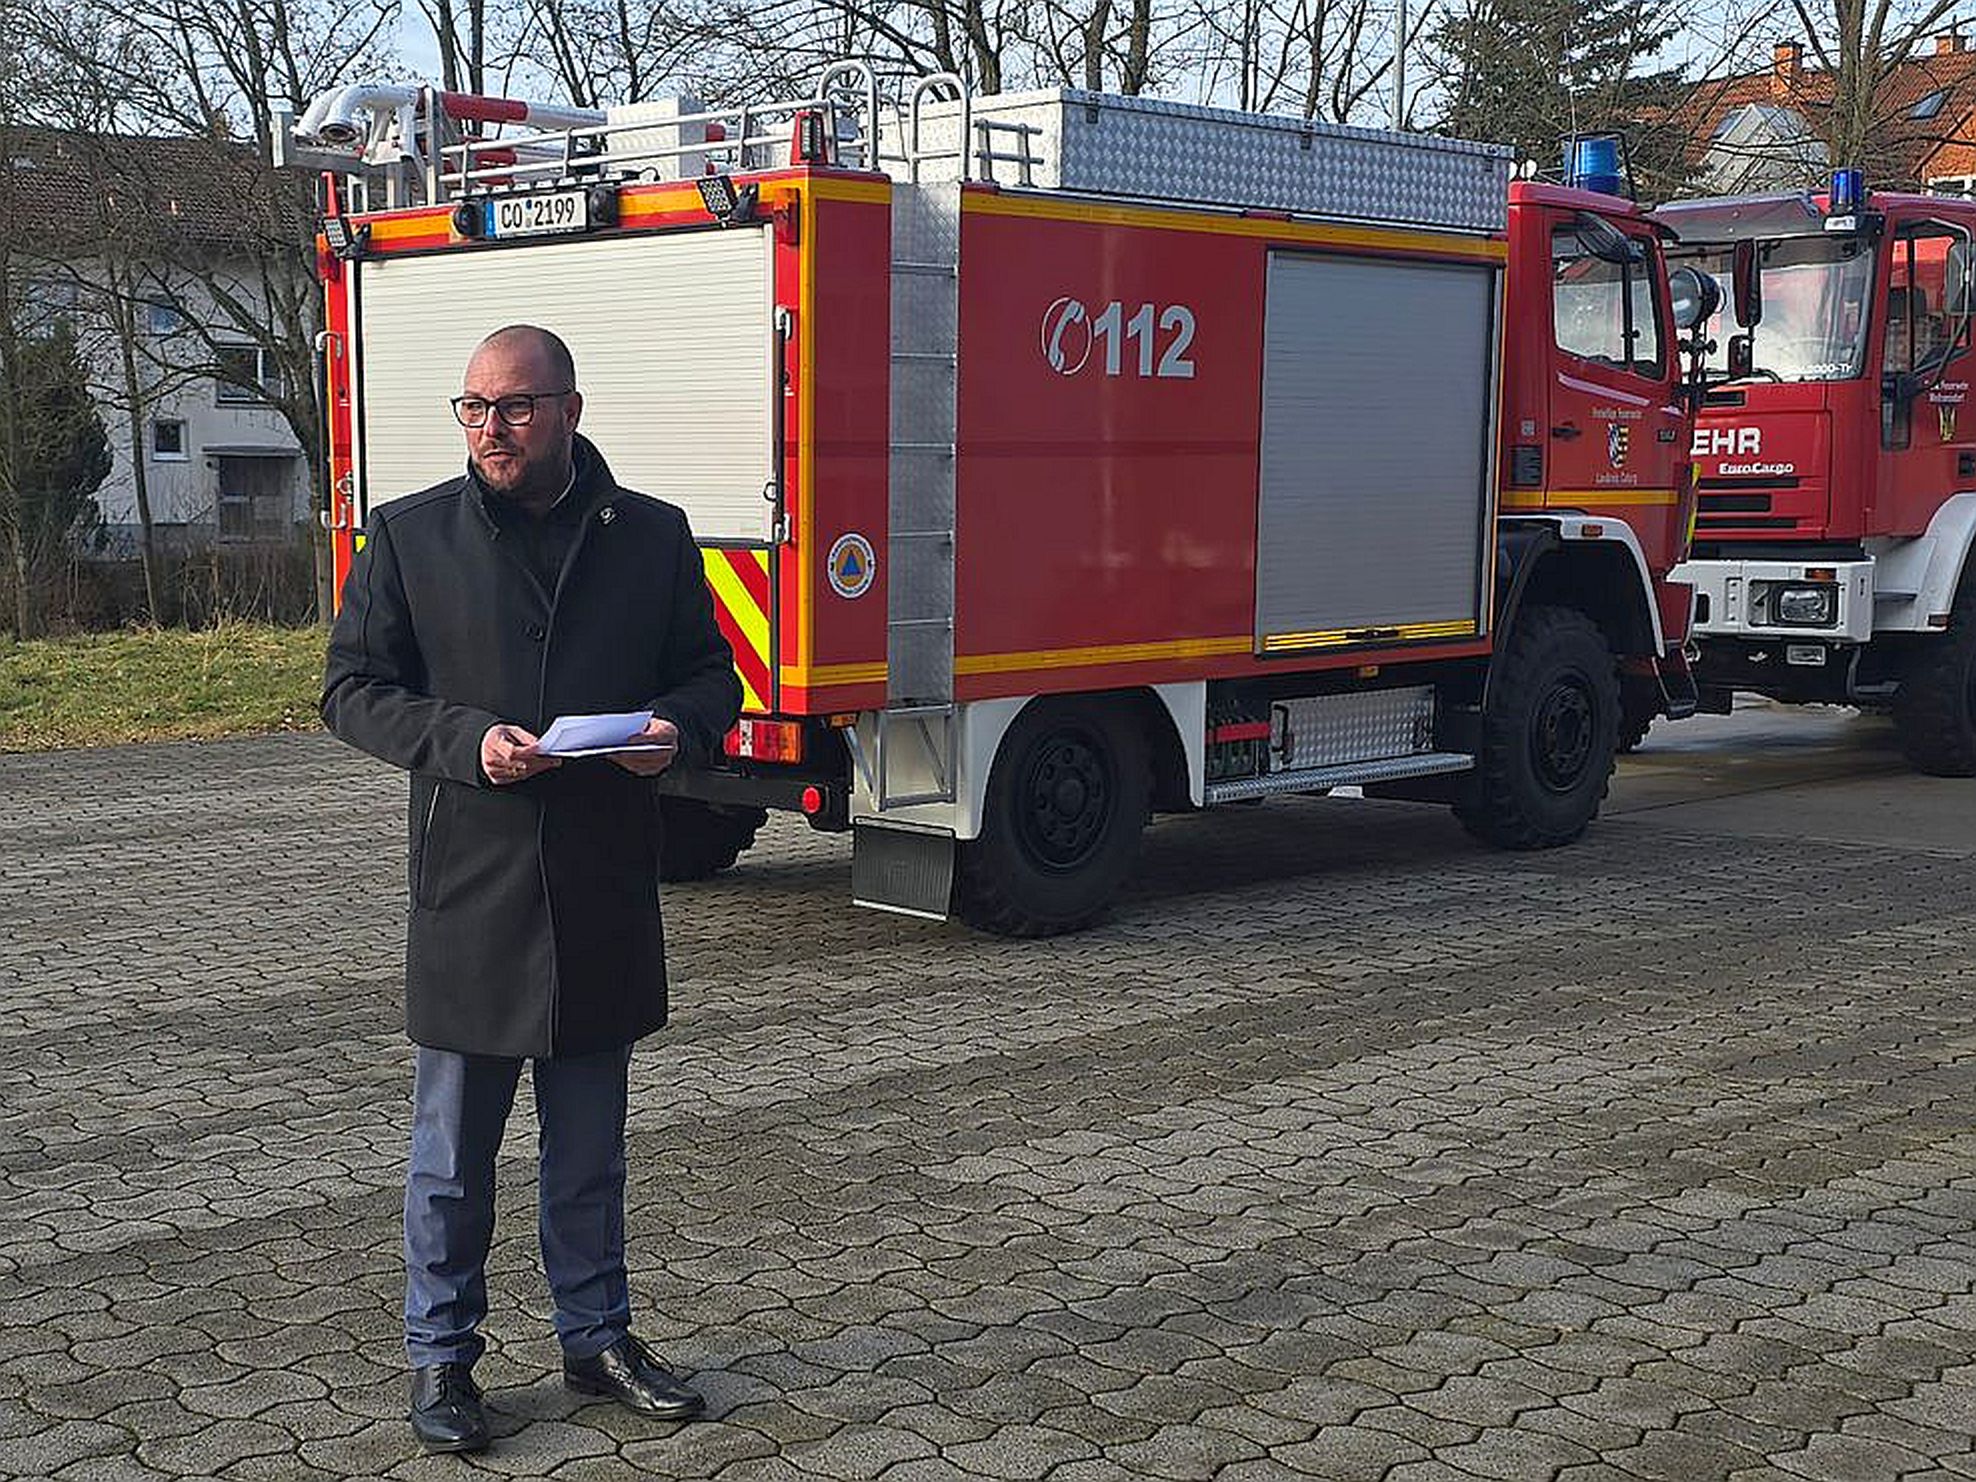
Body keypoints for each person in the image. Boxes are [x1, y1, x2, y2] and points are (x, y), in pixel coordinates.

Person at [321, 324, 743, 1454]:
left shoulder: (651, 535)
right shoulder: (409, 536)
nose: (490, 428)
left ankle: (596, 1341)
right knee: (452, 1161)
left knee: (589, 1152)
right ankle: (442, 1361)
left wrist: (677, 730)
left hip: (602, 885)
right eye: (473, 407)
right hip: (472, 887)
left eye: (513, 407)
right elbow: (350, 690)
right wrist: (465, 742)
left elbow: (712, 675)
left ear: (570, 411)